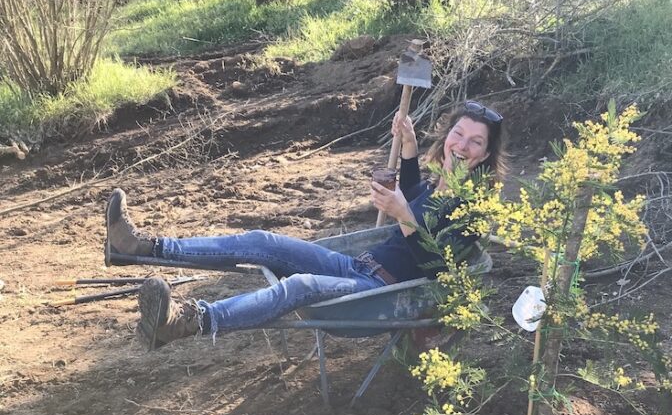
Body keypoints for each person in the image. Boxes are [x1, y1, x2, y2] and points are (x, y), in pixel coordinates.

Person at [104, 100, 505, 349]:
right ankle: (142, 247)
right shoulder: (444, 181)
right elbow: (417, 195)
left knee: (298, 286)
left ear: (487, 155)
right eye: (458, 133)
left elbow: (435, 266)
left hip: (381, 289)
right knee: (264, 241)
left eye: (475, 142)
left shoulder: (473, 205)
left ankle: (188, 320)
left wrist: (402, 215)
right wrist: (412, 151)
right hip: (357, 266)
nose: (462, 145)